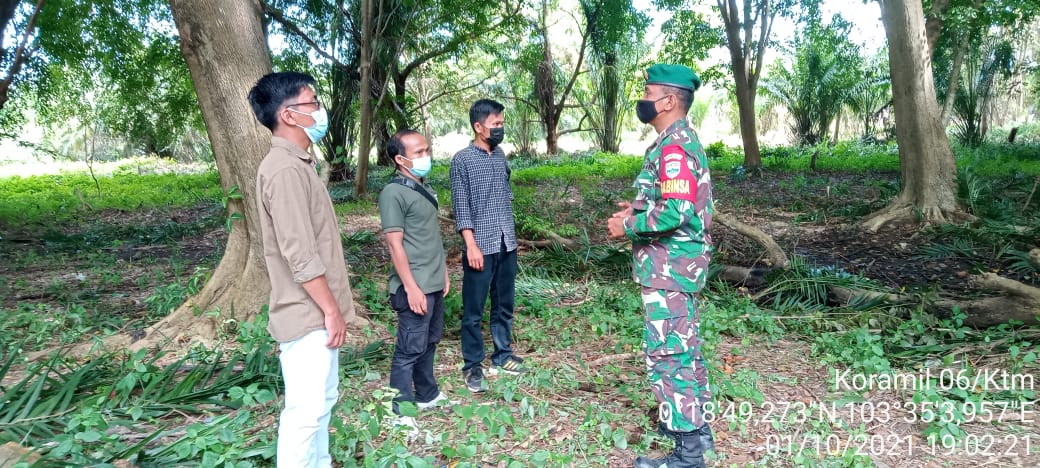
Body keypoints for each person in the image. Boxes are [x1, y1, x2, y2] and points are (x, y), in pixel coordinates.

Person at [606, 64, 715, 468]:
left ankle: (687, 456)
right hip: (674, 269)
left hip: (669, 270)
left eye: (649, 92)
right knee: (684, 351)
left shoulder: (674, 146)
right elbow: (672, 201)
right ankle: (697, 437)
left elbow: (677, 212)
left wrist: (628, 226)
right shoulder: (675, 141)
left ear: (668, 101)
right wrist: (638, 206)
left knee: (670, 357)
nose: (644, 99)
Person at [248, 72, 356, 468]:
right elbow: (300, 253)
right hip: (307, 312)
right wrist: (330, 310)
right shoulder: (284, 170)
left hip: (314, 312)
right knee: (305, 414)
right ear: (289, 115)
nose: (320, 110)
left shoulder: (298, 164)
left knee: (321, 404)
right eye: (313, 102)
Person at [378, 129, 455, 433]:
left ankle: (427, 394)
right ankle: (401, 408)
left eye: (427, 150)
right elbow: (395, 244)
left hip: (434, 280)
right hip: (415, 285)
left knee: (430, 341)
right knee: (409, 348)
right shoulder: (393, 193)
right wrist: (410, 287)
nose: (426, 156)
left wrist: (444, 272)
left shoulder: (425, 188)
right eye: (419, 152)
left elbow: (429, 237)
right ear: (400, 159)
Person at [450, 98, 528, 393]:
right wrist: (470, 245)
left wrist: (512, 238)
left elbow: (504, 198)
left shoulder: (500, 156)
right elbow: (462, 206)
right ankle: (472, 365)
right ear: (478, 126)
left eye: (502, 123)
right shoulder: (462, 160)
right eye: (495, 124)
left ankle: (502, 355)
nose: (500, 129)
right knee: (473, 311)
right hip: (480, 246)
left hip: (506, 242)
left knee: (504, 304)